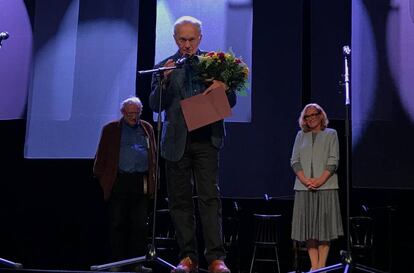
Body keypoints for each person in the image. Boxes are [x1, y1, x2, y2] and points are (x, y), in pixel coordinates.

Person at [149, 16, 236, 273]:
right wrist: (164, 80)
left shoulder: (214, 63)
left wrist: (224, 88)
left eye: (191, 39)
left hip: (207, 140)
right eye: (182, 39)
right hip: (177, 142)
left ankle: (216, 259)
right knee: (179, 201)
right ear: (175, 39)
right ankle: (188, 256)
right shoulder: (164, 65)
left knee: (209, 198)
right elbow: (155, 105)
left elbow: (230, 101)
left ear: (200, 38)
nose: (187, 44)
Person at [93, 96, 156, 273]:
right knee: (117, 223)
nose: (133, 117)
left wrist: (153, 179)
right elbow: (101, 155)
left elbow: (153, 155)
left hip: (141, 180)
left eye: (136, 113)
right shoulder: (111, 129)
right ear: (123, 113)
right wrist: (102, 177)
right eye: (130, 114)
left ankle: (137, 263)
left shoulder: (147, 128)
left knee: (139, 225)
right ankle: (116, 263)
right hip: (119, 180)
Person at [290, 103, 344, 271]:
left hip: (326, 187)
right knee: (309, 230)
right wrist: (305, 180)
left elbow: (333, 160)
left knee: (323, 229)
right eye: (307, 116)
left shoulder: (331, 134)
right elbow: (294, 160)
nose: (311, 118)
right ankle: (315, 267)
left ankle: (321, 267)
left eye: (314, 114)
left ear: (321, 115)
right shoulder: (300, 135)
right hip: (304, 187)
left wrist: (320, 180)